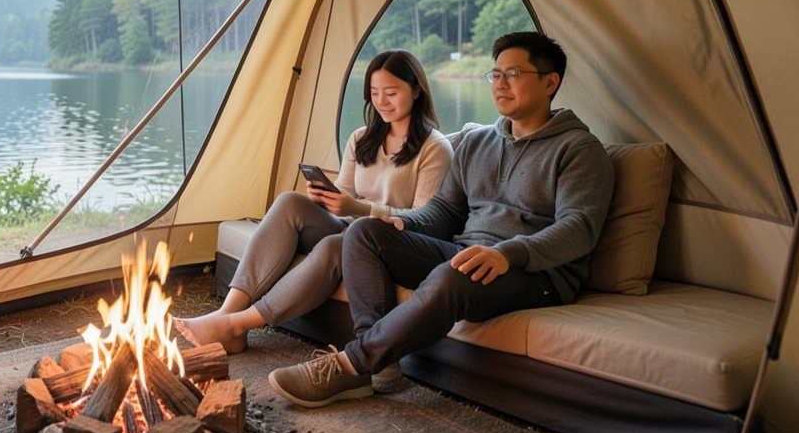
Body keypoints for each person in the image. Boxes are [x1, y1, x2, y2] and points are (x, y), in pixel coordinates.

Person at [267, 31, 615, 407]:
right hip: (466, 252)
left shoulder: (579, 149)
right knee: (365, 232)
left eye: (512, 75)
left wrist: (508, 254)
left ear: (550, 82)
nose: (500, 85)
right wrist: (407, 224)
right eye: (495, 75)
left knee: (452, 274)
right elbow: (446, 211)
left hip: (538, 274)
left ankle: (350, 365)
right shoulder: (478, 143)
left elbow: (579, 228)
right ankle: (375, 367)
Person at [175, 50, 452, 354]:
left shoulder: (435, 148)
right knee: (290, 202)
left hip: (389, 242)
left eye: (391, 93)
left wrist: (358, 210)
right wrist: (325, 198)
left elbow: (426, 219)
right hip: (348, 225)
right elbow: (346, 189)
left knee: (338, 246)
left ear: (416, 90)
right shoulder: (362, 138)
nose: (382, 102)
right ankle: (226, 313)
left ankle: (238, 325)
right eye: (374, 93)